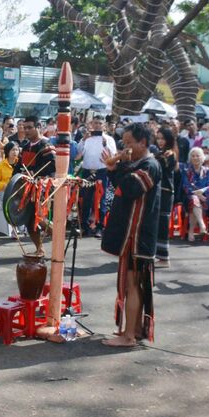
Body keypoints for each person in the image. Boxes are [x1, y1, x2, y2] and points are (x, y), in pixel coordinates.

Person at [101, 123, 161, 348]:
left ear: (143, 143)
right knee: (132, 284)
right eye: (123, 143)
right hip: (131, 234)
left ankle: (128, 336)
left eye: (129, 143)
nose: (124, 148)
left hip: (138, 236)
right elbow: (120, 186)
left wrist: (118, 164)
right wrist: (113, 168)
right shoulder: (138, 163)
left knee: (133, 285)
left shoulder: (150, 164)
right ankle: (132, 330)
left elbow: (131, 188)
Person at [15, 115, 56, 255]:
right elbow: (19, 166)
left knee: (39, 217)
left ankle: (57, 234)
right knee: (29, 220)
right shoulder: (25, 146)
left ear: (38, 127)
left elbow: (52, 165)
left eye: (29, 127)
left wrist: (35, 172)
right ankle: (40, 248)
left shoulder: (46, 145)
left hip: (42, 186)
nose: (26, 130)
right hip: (26, 187)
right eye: (24, 128)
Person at [76, 115, 117, 237]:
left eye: (100, 123)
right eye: (95, 123)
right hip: (87, 171)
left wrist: (105, 144)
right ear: (91, 124)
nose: (97, 125)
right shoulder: (87, 138)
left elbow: (113, 155)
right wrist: (83, 139)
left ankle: (100, 226)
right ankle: (84, 226)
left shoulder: (109, 139)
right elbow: (78, 153)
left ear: (104, 125)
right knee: (86, 199)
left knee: (101, 200)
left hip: (102, 171)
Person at [154, 127, 180, 267]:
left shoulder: (170, 154)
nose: (160, 141)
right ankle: (157, 255)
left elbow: (162, 166)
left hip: (165, 191)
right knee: (156, 223)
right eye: (158, 138)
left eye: (163, 138)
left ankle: (164, 258)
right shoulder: (160, 153)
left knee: (162, 225)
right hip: (158, 191)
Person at [180, 147, 209, 241]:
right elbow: (186, 186)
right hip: (189, 197)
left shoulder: (207, 171)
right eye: (193, 156)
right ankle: (202, 224)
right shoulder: (186, 171)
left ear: (202, 157)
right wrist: (198, 195)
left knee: (195, 203)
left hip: (204, 198)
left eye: (197, 155)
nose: (195, 158)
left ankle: (191, 231)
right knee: (193, 200)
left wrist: (202, 192)